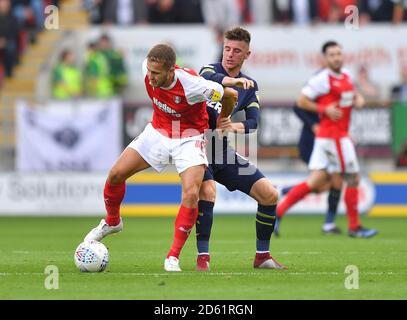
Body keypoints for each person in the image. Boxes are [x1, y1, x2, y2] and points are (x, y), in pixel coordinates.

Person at [83, 43, 238, 272]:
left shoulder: (193, 84)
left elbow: (230, 94)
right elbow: (148, 70)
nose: (151, 76)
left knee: (191, 194)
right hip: (157, 132)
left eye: (156, 73)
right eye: (149, 71)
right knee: (116, 174)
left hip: (188, 137)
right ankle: (113, 222)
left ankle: (172, 257)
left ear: (171, 70)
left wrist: (223, 118)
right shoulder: (146, 68)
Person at [195, 27, 285, 271]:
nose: (230, 54)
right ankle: (203, 258)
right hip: (196, 148)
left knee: (270, 194)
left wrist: (234, 126)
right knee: (208, 192)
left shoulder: (250, 85)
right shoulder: (208, 71)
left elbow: (255, 122)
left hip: (222, 152)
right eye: (227, 48)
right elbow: (215, 81)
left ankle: (262, 256)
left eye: (236, 51)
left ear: (247, 54)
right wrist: (233, 82)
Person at [276, 41, 378, 238]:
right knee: (352, 178)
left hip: (336, 136)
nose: (337, 57)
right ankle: (354, 227)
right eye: (332, 55)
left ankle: (278, 212)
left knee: (317, 182)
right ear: (325, 59)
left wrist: (358, 100)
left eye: (339, 53)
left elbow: (353, 95)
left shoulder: (347, 75)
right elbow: (301, 101)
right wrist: (324, 109)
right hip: (333, 138)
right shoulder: (321, 79)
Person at [275, 103, 343, 236]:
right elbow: (298, 105)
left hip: (330, 141)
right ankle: (278, 211)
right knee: (325, 182)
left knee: (329, 184)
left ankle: (284, 192)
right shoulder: (320, 87)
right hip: (314, 144)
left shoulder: (336, 92)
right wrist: (313, 124)